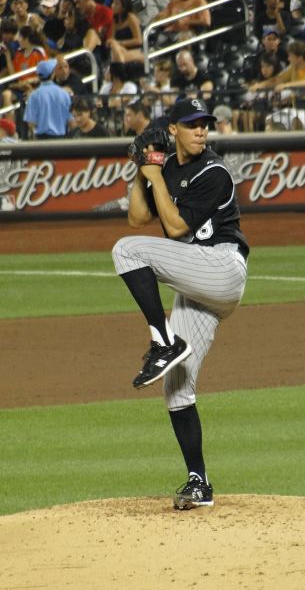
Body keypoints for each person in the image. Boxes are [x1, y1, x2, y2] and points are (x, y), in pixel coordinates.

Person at [111, 97, 249, 510]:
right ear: (174, 130)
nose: (201, 130)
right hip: (197, 283)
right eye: (192, 124)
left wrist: (154, 175)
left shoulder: (214, 171)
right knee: (177, 388)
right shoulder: (168, 169)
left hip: (222, 268)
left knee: (127, 251)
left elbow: (173, 227)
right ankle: (199, 483)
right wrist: (143, 171)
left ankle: (163, 341)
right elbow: (138, 217)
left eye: (204, 123)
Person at [267, 39, 305, 130]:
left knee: (297, 120)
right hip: (295, 109)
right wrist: (258, 86)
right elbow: (277, 79)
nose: (288, 59)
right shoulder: (292, 68)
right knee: (271, 120)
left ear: (299, 57)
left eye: (291, 56)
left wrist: (287, 85)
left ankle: (296, 144)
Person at [23, 58, 72, 139]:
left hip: (41, 141)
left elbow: (31, 123)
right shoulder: (63, 94)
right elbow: (71, 121)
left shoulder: (34, 95)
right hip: (61, 140)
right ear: (53, 74)